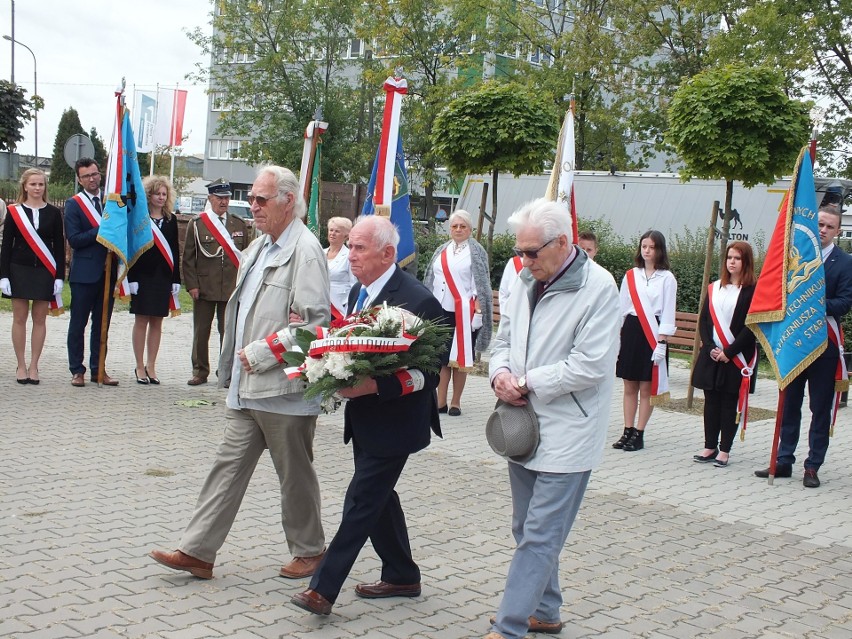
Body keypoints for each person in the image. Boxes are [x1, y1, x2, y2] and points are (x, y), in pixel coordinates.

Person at [149, 165, 329, 580]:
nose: (253, 206)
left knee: (294, 475)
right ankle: (197, 550)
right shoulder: (262, 246)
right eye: (252, 199)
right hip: (247, 387)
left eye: (261, 200)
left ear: (288, 202)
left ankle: (311, 550)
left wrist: (264, 352)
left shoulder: (305, 250)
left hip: (284, 388)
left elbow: (316, 325)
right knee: (225, 468)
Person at [291, 215, 445, 616]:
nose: (350, 254)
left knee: (361, 499)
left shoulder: (417, 299)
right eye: (350, 246)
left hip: (396, 422)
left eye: (359, 247)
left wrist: (376, 386)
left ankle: (322, 590)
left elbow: (428, 372)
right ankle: (402, 574)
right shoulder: (363, 290)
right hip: (365, 419)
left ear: (388, 253)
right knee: (379, 498)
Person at [485, 198, 620, 639]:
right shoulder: (524, 277)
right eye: (520, 250)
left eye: (532, 251)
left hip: (569, 429)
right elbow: (502, 338)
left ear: (563, 243)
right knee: (525, 527)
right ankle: (545, 610)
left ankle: (509, 627)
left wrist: (525, 381)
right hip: (521, 424)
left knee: (540, 535)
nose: (524, 260)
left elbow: (590, 366)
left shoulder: (599, 288)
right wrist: (500, 373)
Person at [755, 204, 852, 487]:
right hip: (794, 342)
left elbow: (844, 303)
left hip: (824, 345)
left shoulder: (845, 263)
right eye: (820, 224)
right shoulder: (794, 254)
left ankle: (812, 466)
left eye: (829, 227)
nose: (822, 230)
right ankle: (784, 460)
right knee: (789, 404)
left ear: (837, 231)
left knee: (819, 408)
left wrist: (812, 305)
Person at [692, 241, 757, 467]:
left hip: (736, 357)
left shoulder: (752, 292)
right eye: (729, 257)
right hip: (713, 355)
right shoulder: (715, 287)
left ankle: (725, 450)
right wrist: (710, 347)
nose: (732, 262)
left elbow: (752, 327)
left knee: (729, 402)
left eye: (737, 258)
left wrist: (729, 352)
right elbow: (705, 320)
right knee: (711, 401)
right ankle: (710, 446)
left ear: (745, 261)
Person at [611, 230, 677, 452]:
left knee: (647, 387)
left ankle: (639, 433)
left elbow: (668, 312)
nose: (647, 251)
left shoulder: (667, 278)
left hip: (653, 333)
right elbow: (621, 307)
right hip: (631, 329)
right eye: (644, 246)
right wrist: (616, 338)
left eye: (651, 247)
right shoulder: (631, 275)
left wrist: (662, 342)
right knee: (629, 384)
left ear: (660, 250)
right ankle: (627, 430)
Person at [422, 209, 492, 416]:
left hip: (463, 312)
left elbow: (481, 284)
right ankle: (440, 400)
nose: (458, 229)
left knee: (460, 359)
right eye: (455, 226)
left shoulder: (477, 252)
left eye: (463, 226)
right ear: (450, 228)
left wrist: (479, 312)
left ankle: (456, 402)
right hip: (439, 309)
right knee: (442, 358)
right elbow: (431, 278)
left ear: (470, 229)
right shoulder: (442, 249)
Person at [0, 168, 65, 385]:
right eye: (33, 184)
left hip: (44, 272)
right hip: (19, 269)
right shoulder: (14, 211)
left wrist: (58, 276)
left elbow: (59, 247)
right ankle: (20, 365)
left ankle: (34, 365)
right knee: (19, 319)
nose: (37, 188)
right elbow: (6, 246)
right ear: (25, 186)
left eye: (41, 184)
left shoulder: (54, 213)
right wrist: (4, 276)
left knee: (40, 319)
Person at [183, 178, 250, 386]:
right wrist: (192, 285)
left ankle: (226, 371)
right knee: (201, 331)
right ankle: (200, 371)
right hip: (204, 287)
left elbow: (246, 257)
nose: (224, 202)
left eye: (227, 198)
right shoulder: (198, 224)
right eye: (220, 198)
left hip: (230, 287)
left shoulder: (238, 223)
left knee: (228, 332)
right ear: (210, 198)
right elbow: (188, 258)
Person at [64, 158, 120, 387]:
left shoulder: (111, 203)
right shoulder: (74, 204)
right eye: (87, 176)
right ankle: (77, 370)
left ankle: (99, 369)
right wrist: (101, 231)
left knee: (102, 324)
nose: (92, 179)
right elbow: (75, 240)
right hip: (84, 274)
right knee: (78, 323)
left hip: (108, 273)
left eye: (95, 174)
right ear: (79, 179)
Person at [127, 176, 181, 385]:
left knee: (157, 322)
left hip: (163, 277)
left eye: (164, 194)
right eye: (157, 193)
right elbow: (132, 248)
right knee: (141, 321)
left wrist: (176, 279)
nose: (160, 197)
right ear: (148, 195)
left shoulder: (171, 220)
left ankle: (152, 365)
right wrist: (131, 278)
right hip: (142, 277)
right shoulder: (140, 218)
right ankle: (139, 366)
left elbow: (174, 250)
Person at [325, 216, 357, 320]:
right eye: (331, 230)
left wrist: (350, 308)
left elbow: (354, 284)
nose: (332, 233)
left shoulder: (349, 256)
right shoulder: (320, 252)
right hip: (320, 303)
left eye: (337, 231)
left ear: (346, 236)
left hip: (339, 307)